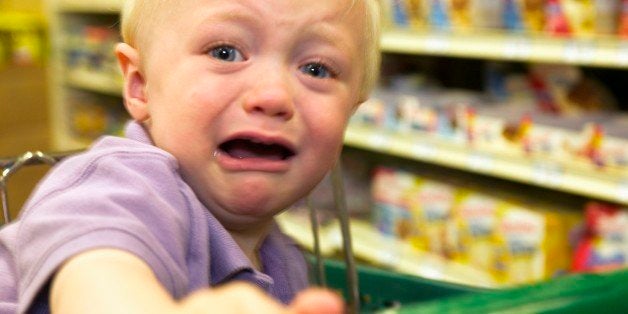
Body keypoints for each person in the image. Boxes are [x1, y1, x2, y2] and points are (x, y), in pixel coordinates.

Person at [0, 0, 381, 313]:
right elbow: (98, 277)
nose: (273, 96)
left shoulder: (286, 260)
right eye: (225, 53)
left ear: (352, 111)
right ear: (140, 86)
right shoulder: (118, 190)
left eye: (316, 69)